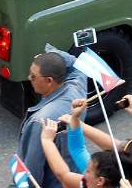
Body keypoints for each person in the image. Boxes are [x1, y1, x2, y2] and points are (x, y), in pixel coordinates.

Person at [17, 50, 87, 188]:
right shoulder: (77, 89)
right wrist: (52, 57)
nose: (29, 78)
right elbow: (77, 64)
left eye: (33, 76)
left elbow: (32, 173)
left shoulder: (40, 121)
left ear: (49, 81)